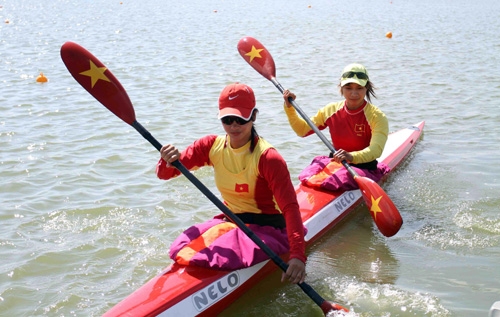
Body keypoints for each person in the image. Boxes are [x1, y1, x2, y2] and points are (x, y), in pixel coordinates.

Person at [156, 83, 307, 284]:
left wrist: (298, 256)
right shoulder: (210, 146)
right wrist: (167, 159)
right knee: (182, 246)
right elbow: (165, 174)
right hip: (232, 220)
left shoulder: (269, 158)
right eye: (227, 120)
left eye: (241, 118)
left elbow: (290, 208)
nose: (234, 126)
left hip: (269, 227)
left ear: (253, 116)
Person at [282, 63, 390, 191]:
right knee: (307, 174)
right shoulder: (330, 110)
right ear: (341, 88)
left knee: (339, 176)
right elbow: (302, 130)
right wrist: (289, 108)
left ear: (366, 88)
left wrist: (351, 156)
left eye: (359, 88)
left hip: (364, 167)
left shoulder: (376, 116)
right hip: (337, 163)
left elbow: (376, 150)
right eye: (348, 88)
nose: (354, 93)